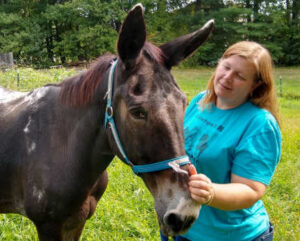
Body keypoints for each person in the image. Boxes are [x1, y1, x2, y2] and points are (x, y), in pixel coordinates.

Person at [161, 41, 281, 241]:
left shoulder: (259, 124)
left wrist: (211, 192)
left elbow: (251, 190)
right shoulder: (202, 100)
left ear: (256, 84)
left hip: (231, 235)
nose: (227, 78)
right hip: (182, 224)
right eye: (226, 67)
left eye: (240, 76)